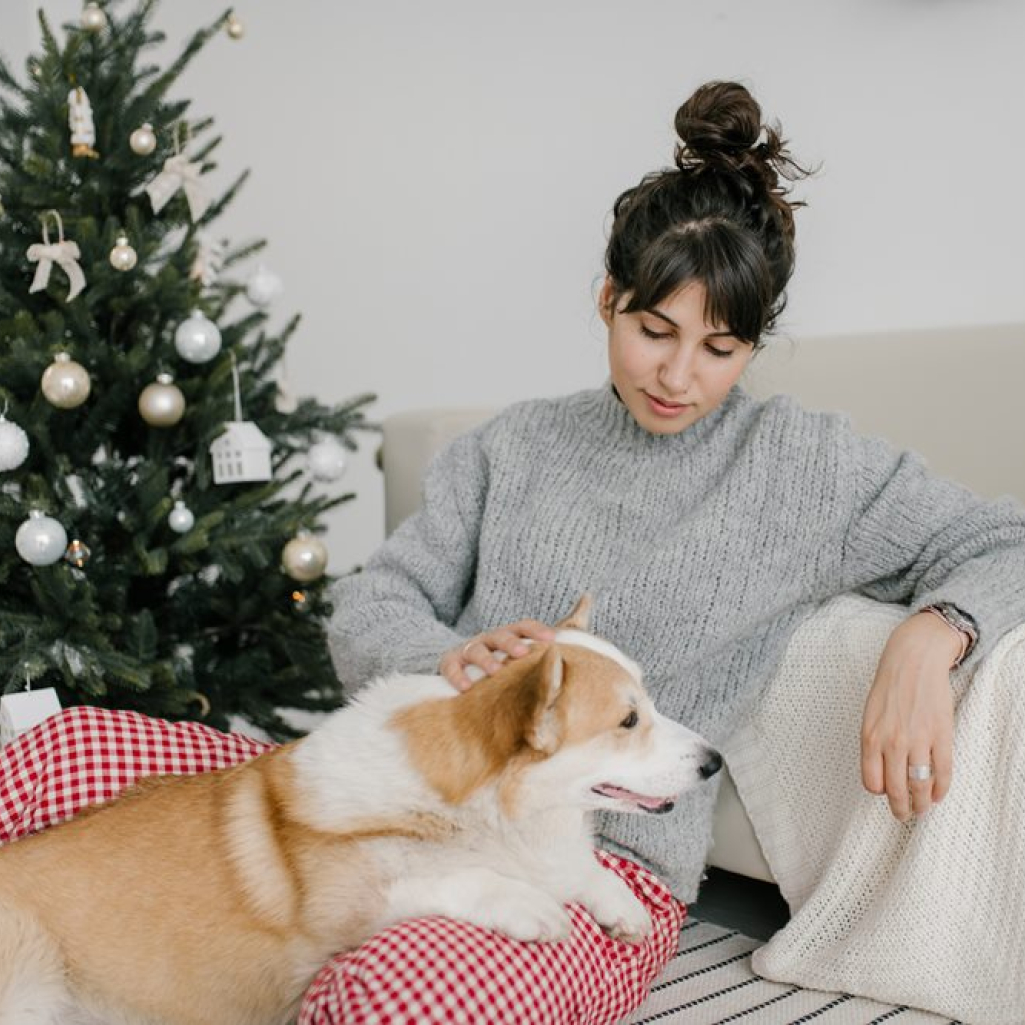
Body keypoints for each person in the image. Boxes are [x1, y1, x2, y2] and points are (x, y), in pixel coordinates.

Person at [326, 79, 1025, 903]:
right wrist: (444, 657)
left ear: (752, 349)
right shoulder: (510, 445)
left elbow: (1000, 540)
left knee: (392, 991)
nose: (677, 375)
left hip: (597, 870)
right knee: (140, 775)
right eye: (652, 331)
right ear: (607, 301)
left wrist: (932, 634)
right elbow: (371, 604)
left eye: (718, 347)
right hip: (417, 804)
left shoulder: (801, 464)